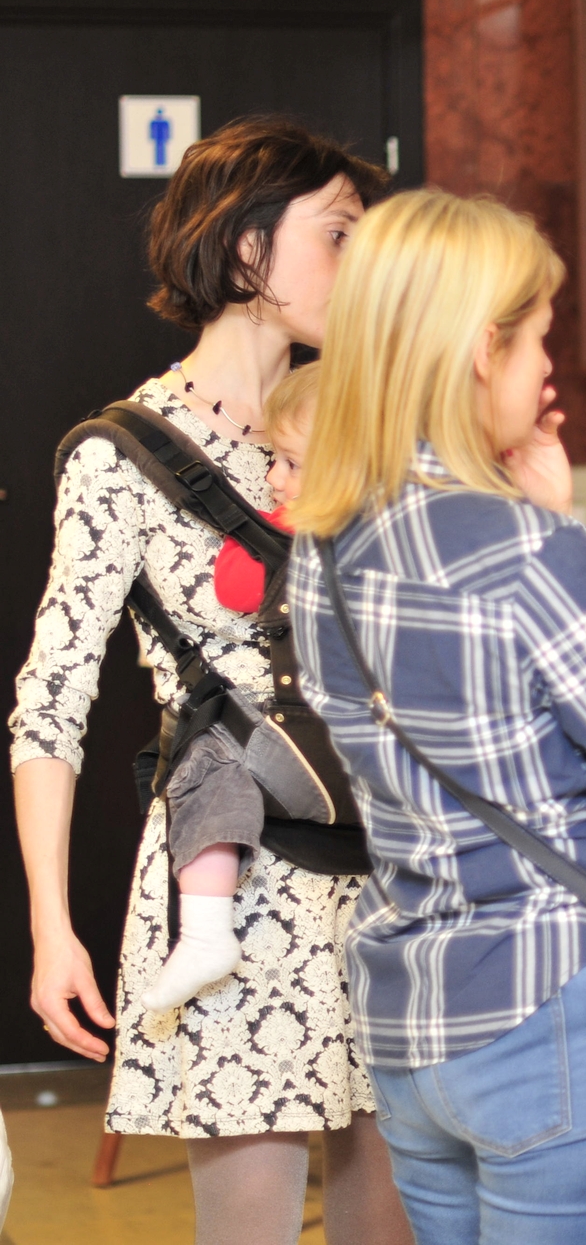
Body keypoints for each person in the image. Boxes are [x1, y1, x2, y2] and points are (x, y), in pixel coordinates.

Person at [286, 188, 586, 1244]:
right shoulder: (528, 549)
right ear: (482, 349)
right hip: (558, 1005)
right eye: (537, 339)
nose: (547, 367)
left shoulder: (323, 544)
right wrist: (561, 530)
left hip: (412, 1022)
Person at [12, 118, 412, 1244]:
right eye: (337, 236)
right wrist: (52, 926)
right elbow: (50, 700)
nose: (361, 265)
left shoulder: (367, 422)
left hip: (392, 877)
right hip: (232, 895)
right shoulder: (119, 456)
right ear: (245, 250)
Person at [141, 362, 323, 1011]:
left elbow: (235, 588)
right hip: (386, 758)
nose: (273, 478)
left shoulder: (298, 532)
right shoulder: (406, 531)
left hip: (313, 741)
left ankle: (204, 932)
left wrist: (264, 528)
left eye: (292, 464)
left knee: (210, 749)